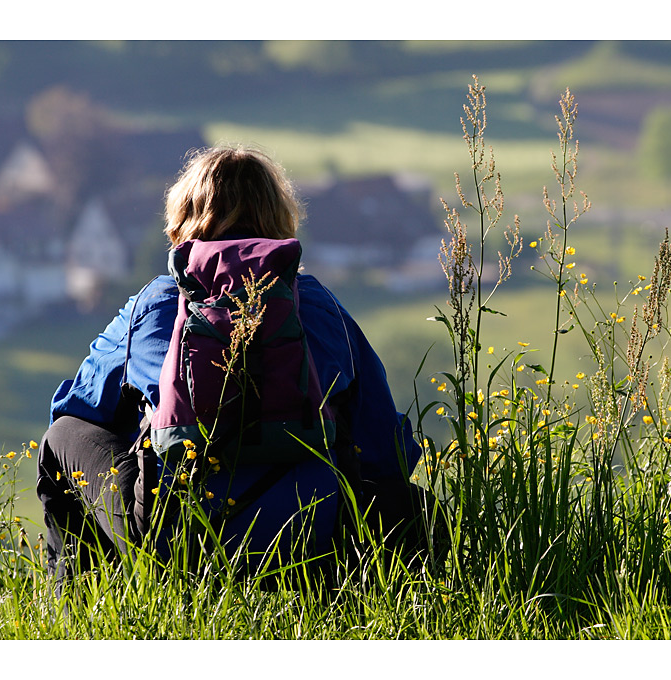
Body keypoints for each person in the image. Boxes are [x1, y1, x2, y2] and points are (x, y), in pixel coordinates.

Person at [36, 145, 424, 585]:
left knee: (61, 437)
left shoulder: (159, 303)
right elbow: (387, 450)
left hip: (175, 539)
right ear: (280, 220)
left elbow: (80, 408)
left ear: (184, 219)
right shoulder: (319, 306)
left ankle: (87, 613)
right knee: (411, 503)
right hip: (309, 533)